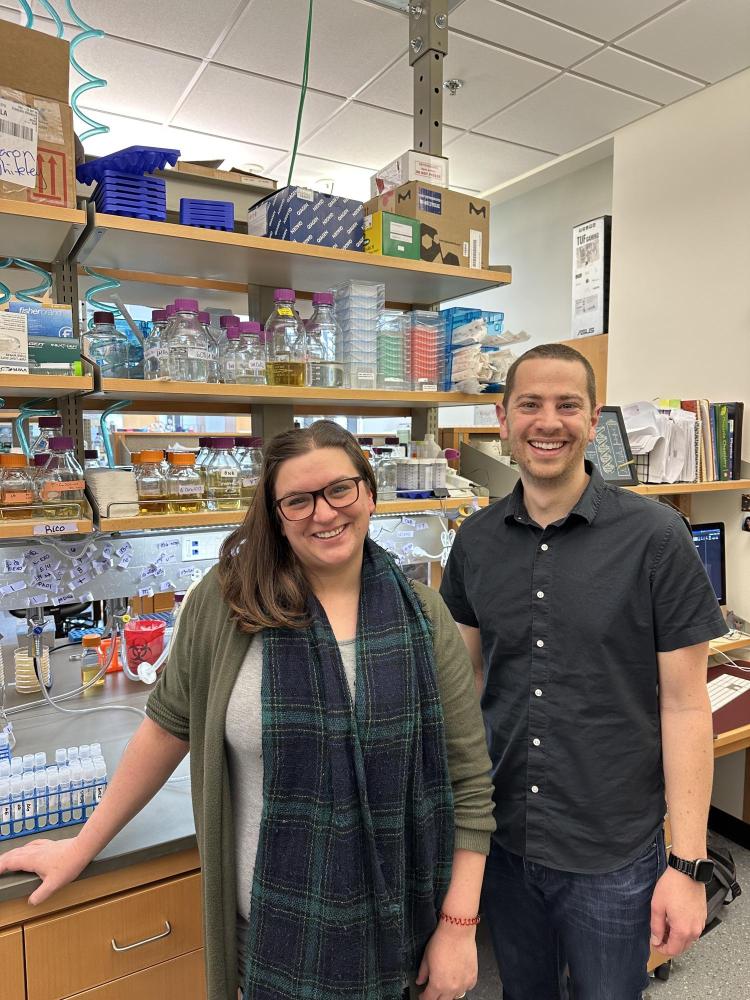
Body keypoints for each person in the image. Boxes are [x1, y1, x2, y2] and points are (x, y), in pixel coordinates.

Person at [0, 420, 495, 1000]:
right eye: (297, 500)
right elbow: (166, 729)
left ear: (369, 490)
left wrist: (459, 929)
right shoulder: (227, 602)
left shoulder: (423, 615)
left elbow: (468, 783)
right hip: (267, 939)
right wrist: (81, 845)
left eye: (340, 489)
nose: (324, 513)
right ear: (275, 513)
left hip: (402, 938)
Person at [439, 344, 726, 1000]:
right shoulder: (475, 542)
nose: (549, 421)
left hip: (613, 853)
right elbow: (469, 688)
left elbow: (685, 706)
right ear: (502, 420)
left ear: (594, 420)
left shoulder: (656, 538)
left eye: (568, 405)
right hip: (507, 842)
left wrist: (686, 862)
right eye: (530, 405)